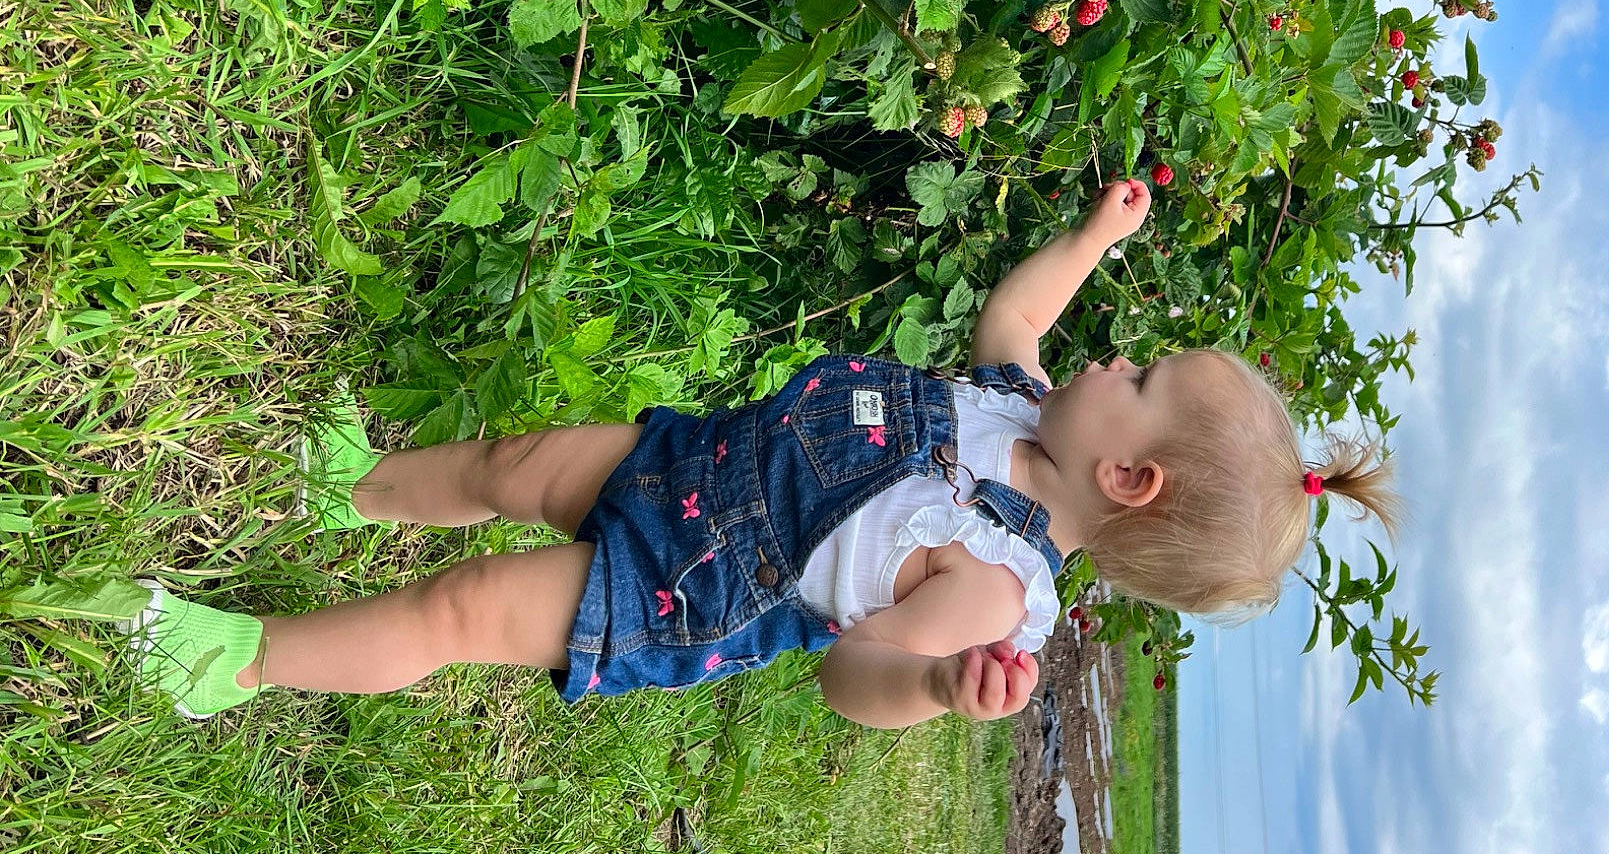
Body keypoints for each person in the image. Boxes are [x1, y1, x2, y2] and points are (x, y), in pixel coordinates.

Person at [119, 176, 1397, 727]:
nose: (1112, 361)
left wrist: (933, 691)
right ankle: (347, 487)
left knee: (463, 607)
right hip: (696, 464)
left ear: (1128, 478)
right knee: (511, 466)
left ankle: (237, 661)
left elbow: (851, 671)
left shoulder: (994, 587)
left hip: (693, 586)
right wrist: (1090, 241)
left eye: (1141, 379)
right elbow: (1015, 317)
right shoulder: (1022, 406)